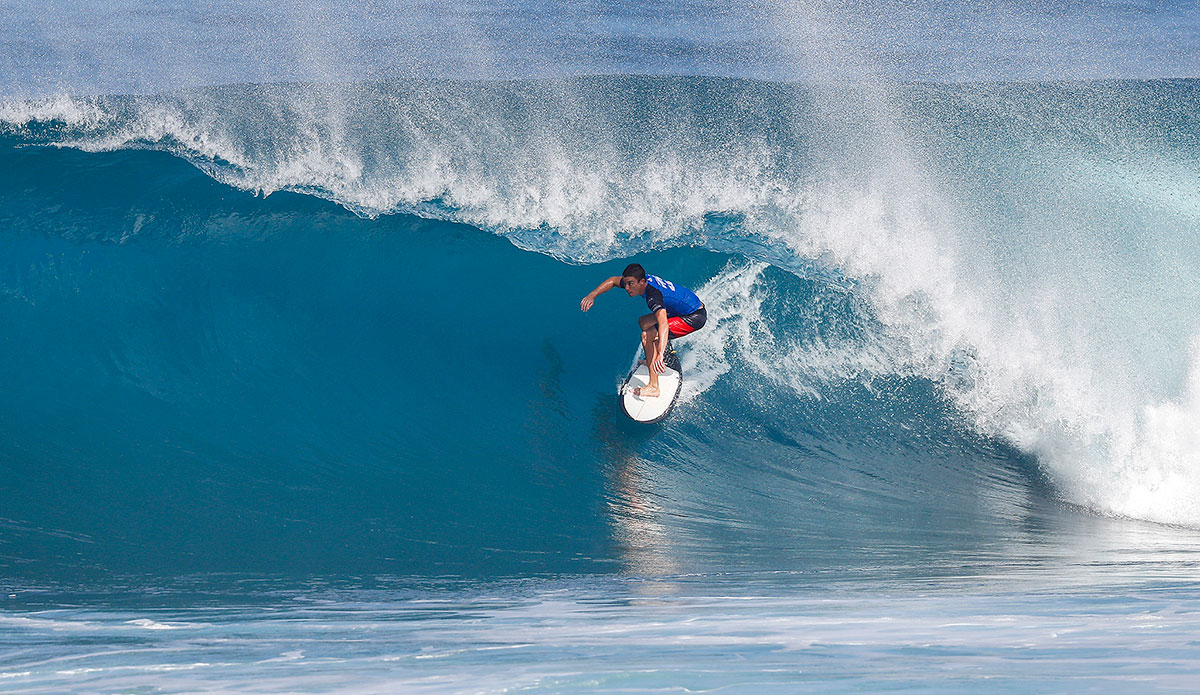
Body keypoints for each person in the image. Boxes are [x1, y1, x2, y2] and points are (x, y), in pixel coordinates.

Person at [580, 263, 707, 397]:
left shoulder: (653, 296)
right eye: (626, 283)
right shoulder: (639, 281)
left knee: (647, 335)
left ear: (641, 282)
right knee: (644, 322)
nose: (627, 288)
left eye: (630, 284)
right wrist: (592, 295)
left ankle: (653, 387)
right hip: (680, 308)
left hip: (693, 316)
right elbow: (612, 281)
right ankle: (652, 358)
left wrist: (660, 353)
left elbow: (663, 323)